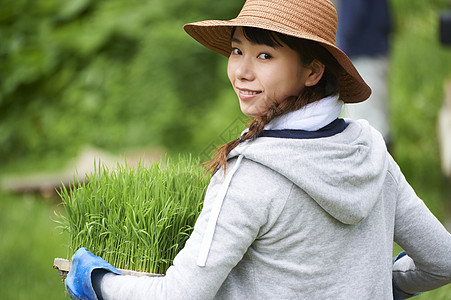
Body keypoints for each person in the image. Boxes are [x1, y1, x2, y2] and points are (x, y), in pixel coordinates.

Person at [64, 0, 451, 299]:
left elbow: (181, 294)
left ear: (313, 72)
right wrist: (384, 284)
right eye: (237, 51)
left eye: (265, 55)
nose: (242, 72)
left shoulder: (251, 175)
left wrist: (98, 282)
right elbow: (442, 260)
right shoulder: (370, 151)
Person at [336, 0, 393, 147]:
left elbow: (353, 10)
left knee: (369, 125)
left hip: (363, 54)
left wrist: (340, 46)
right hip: (371, 49)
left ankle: (381, 168)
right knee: (371, 120)